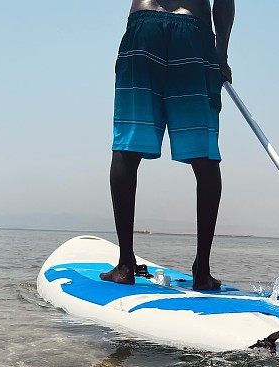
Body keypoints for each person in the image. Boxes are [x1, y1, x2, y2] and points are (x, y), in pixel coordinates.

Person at [100, 0, 235, 290]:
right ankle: (202, 271)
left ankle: (125, 265)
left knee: (127, 146)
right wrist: (221, 57)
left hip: (143, 28)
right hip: (194, 33)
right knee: (204, 154)